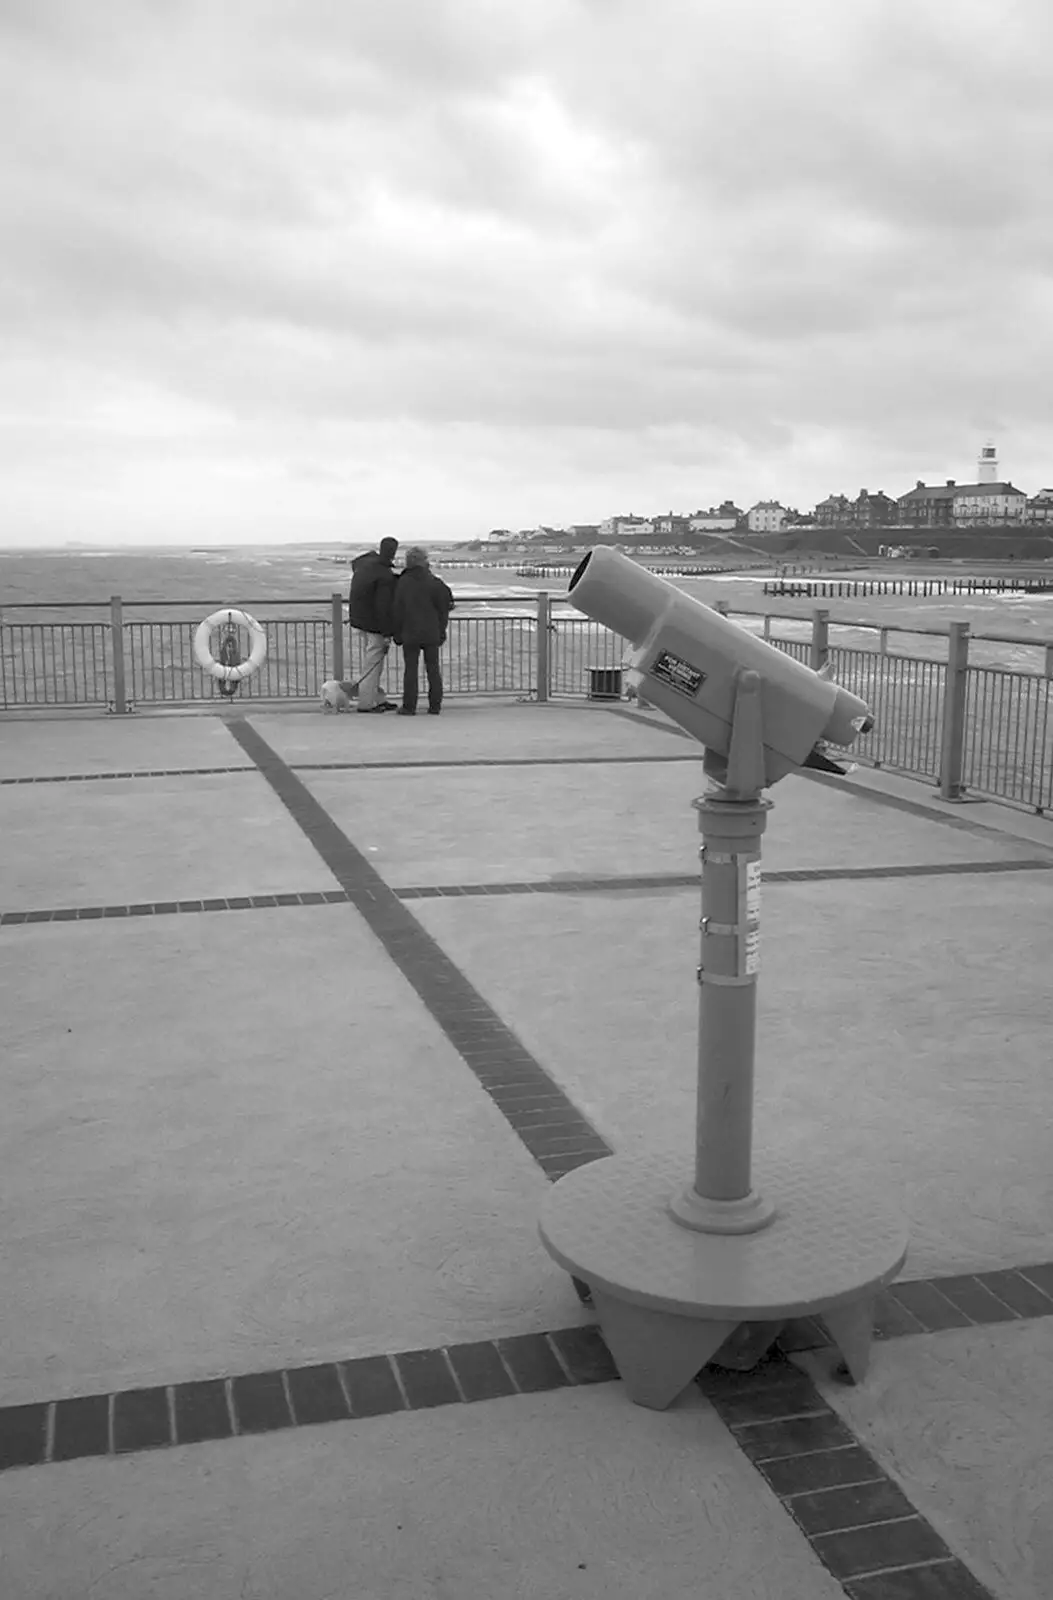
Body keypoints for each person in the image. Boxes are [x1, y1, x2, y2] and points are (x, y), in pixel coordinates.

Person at [391, 547, 454, 716]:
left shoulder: (403, 582)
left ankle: (409, 706)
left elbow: (397, 610)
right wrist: (442, 630)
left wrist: (396, 633)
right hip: (431, 631)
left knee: (410, 670)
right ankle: (435, 706)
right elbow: (445, 608)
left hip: (410, 632)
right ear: (425, 561)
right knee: (433, 669)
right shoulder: (435, 582)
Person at [348, 537, 399, 712]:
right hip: (374, 624)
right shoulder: (384, 575)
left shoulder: (366, 567)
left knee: (372, 660)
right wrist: (387, 633)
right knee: (373, 663)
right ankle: (367, 703)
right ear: (394, 552)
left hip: (360, 620)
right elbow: (383, 607)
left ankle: (377, 699)